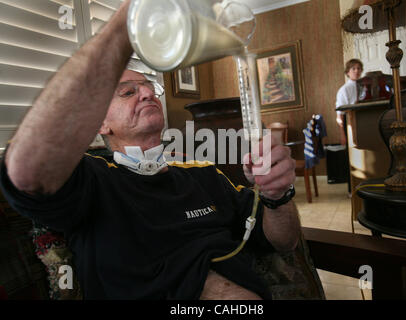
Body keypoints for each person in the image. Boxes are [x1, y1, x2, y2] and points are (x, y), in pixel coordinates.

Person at [0, 0, 300, 300]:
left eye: (148, 87)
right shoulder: (93, 181)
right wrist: (130, 19)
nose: (147, 92)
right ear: (100, 123)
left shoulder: (205, 174)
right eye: (128, 92)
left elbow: (284, 242)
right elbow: (28, 170)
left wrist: (278, 196)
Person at [335, 59, 363, 146]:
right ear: (347, 72)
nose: (357, 71)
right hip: (350, 123)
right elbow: (340, 114)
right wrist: (342, 134)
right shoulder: (344, 90)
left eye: (359, 68)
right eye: (353, 68)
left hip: (363, 121)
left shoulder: (364, 86)